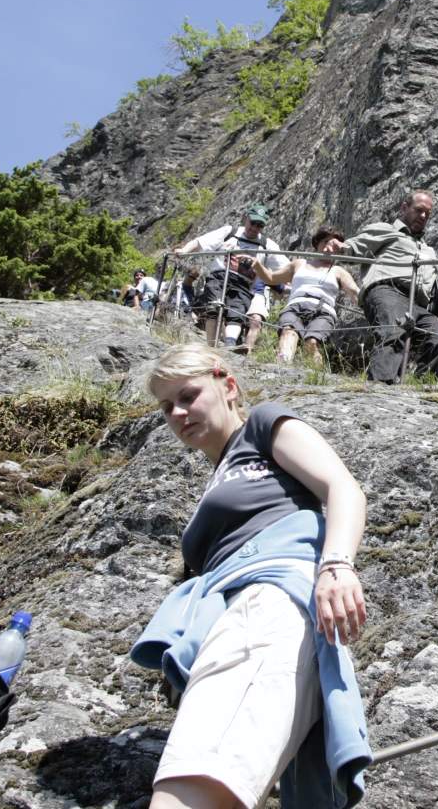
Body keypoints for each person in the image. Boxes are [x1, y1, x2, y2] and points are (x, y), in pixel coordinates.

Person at [131, 344, 371, 808]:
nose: (178, 413)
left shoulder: (261, 426)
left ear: (228, 385)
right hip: (234, 613)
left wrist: (337, 566)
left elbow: (342, 487)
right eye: (167, 407)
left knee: (194, 785)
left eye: (188, 395)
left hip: (267, 603)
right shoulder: (219, 474)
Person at [332, 190, 438, 384]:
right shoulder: (387, 230)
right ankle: (379, 389)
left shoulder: (428, 251)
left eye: (427, 214)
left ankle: (421, 391)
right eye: (419, 210)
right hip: (387, 291)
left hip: (418, 303)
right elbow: (356, 245)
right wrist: (339, 247)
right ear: (405, 208)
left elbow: (436, 290)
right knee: (394, 332)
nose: (423, 216)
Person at [173, 204, 288, 352]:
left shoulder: (267, 244)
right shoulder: (230, 232)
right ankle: (212, 346)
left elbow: (286, 267)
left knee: (237, 311)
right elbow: (201, 242)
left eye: (259, 225)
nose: (254, 228)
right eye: (252, 223)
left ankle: (230, 343)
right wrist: (184, 250)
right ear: (246, 218)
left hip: (244, 283)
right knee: (213, 308)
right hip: (219, 276)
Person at [253, 228, 362, 365]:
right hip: (295, 306)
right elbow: (272, 278)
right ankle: (280, 371)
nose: (328, 247)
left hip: (323, 311)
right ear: (317, 243)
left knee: (312, 342)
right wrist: (257, 265)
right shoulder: (299, 264)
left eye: (333, 244)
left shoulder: (338, 271)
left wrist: (370, 305)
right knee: (288, 333)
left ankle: (313, 381)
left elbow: (355, 292)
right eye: (325, 241)